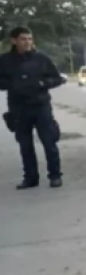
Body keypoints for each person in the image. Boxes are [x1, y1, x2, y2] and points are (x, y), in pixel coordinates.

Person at [0, 26, 65, 189]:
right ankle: (30, 177)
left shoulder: (42, 59)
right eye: (23, 39)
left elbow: (57, 78)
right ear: (14, 41)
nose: (27, 42)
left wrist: (43, 83)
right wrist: (14, 84)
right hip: (18, 108)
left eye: (29, 39)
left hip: (41, 106)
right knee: (25, 145)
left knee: (49, 141)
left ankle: (55, 175)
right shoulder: (5, 60)